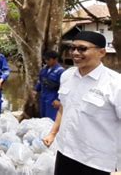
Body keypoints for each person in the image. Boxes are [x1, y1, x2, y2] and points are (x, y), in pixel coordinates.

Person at [43, 31, 120, 175]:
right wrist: (53, 133)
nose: (75, 53)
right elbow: (63, 107)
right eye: (73, 48)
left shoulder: (115, 84)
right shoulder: (67, 76)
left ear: (102, 52)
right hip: (66, 153)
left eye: (82, 48)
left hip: (98, 162)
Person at [33, 50, 64, 120]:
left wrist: (58, 99)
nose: (46, 61)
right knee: (43, 117)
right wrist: (35, 90)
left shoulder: (61, 71)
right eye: (45, 60)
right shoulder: (44, 69)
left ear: (55, 59)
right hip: (43, 97)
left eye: (48, 60)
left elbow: (64, 88)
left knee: (51, 119)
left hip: (53, 99)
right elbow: (40, 81)